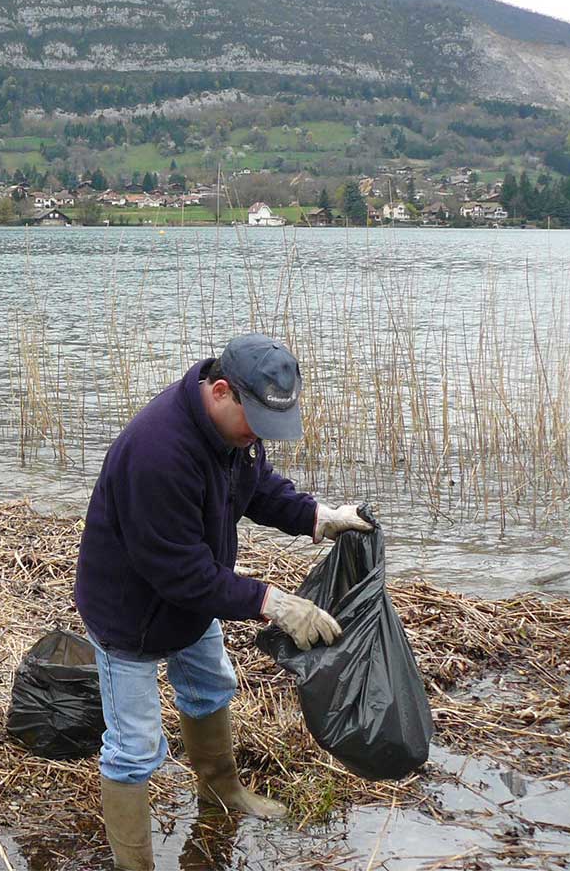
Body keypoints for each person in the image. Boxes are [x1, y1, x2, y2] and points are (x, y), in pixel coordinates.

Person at [74, 333, 371, 870]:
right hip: (130, 616)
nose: (260, 436)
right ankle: (133, 864)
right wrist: (272, 602)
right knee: (135, 746)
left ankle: (221, 792)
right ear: (220, 391)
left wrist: (315, 516)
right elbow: (181, 573)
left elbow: (255, 487)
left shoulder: (231, 433)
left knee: (211, 686)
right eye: (255, 422)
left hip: (190, 603)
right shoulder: (158, 452)